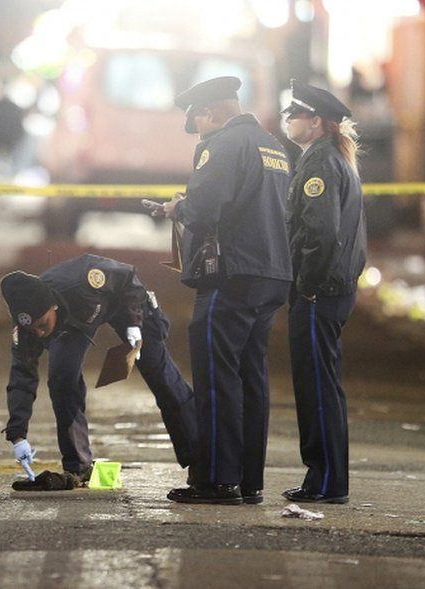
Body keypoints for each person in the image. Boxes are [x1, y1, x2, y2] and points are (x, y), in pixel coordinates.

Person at [155, 76, 293, 505]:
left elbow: (206, 206)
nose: (197, 131)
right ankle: (249, 480)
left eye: (196, 122)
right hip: (270, 273)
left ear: (210, 112)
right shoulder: (273, 145)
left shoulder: (222, 145)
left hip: (230, 275)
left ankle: (215, 479)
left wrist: (179, 207)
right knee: (252, 377)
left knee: (217, 378)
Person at [0, 254, 197, 482]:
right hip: (74, 325)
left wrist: (134, 323)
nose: (40, 333)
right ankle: (78, 465)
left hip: (126, 302)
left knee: (159, 372)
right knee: (62, 379)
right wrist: (17, 434)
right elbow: (21, 378)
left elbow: (128, 277)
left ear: (52, 305)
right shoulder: (27, 330)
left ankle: (201, 454)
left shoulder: (83, 280)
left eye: (43, 324)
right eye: (33, 329)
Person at [280, 80, 366, 504]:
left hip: (320, 291)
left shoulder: (320, 163)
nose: (287, 120)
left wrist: (307, 286)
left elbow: (320, 232)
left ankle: (327, 480)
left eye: (293, 114)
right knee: (320, 385)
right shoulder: (327, 158)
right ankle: (324, 477)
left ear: (315, 122)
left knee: (317, 388)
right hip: (331, 288)